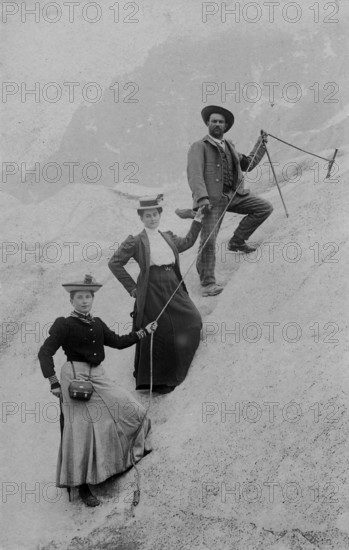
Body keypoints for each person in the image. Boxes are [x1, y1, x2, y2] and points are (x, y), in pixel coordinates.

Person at [38, 274, 157, 507]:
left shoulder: (97, 323)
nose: (84, 301)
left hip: (98, 375)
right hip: (74, 378)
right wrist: (53, 382)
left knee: (129, 408)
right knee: (80, 430)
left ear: (92, 299)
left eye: (88, 297)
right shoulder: (64, 324)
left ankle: (120, 460)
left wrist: (144, 331)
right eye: (79, 297)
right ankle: (83, 486)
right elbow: (45, 353)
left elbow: (119, 341)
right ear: (72, 300)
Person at [108, 195, 204, 394]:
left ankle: (181, 368)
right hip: (151, 288)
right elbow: (114, 263)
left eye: (154, 214)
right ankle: (159, 381)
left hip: (173, 283)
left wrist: (198, 221)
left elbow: (187, 242)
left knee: (192, 319)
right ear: (141, 218)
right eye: (147, 216)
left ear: (159, 215)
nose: (152, 219)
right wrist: (133, 288)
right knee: (159, 331)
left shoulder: (167, 236)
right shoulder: (136, 241)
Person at [177, 105, 273, 297]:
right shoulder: (199, 146)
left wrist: (261, 144)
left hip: (235, 195)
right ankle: (207, 284)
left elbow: (248, 165)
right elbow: (194, 175)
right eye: (214, 121)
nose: (217, 124)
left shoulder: (229, 146)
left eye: (221, 122)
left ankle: (237, 242)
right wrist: (202, 198)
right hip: (211, 200)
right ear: (207, 123)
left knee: (264, 208)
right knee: (209, 241)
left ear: (226, 125)